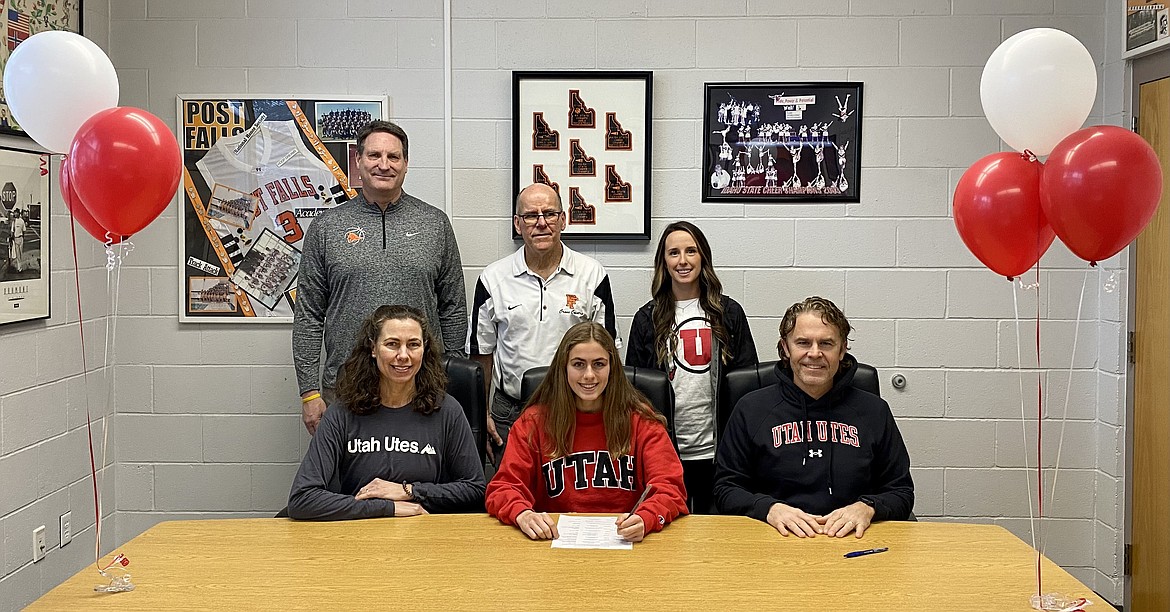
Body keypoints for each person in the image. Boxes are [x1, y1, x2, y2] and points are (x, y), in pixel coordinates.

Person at [293, 120, 467, 435]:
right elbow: (308, 315)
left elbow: (453, 307)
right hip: (346, 389)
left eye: (393, 157)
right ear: (357, 161)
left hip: (422, 388)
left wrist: (450, 376)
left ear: (405, 164)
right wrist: (309, 391)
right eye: (374, 155)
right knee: (347, 483)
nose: (383, 165)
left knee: (421, 482)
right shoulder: (326, 227)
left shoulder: (435, 224)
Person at [714, 296, 913, 538]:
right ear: (786, 348)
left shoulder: (875, 411)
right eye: (803, 342)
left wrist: (868, 507)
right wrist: (769, 509)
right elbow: (725, 489)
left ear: (842, 350)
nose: (815, 353)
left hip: (853, 542)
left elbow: (901, 491)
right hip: (773, 541)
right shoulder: (750, 409)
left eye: (827, 343)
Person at [485, 322, 687, 542]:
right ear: (564, 367)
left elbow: (671, 488)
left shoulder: (641, 420)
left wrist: (647, 518)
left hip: (626, 543)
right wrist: (522, 514)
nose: (589, 375)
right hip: (553, 544)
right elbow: (503, 488)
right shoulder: (532, 423)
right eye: (579, 364)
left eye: (599, 364)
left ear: (613, 368)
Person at [288, 305, 485, 520]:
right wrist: (386, 508)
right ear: (373, 348)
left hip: (425, 535)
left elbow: (474, 489)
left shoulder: (447, 410)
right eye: (392, 344)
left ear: (424, 349)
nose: (403, 355)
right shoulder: (343, 412)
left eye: (413, 345)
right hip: (359, 535)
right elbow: (302, 498)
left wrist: (410, 491)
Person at [468, 182, 618, 465]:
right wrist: (482, 415)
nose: (541, 223)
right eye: (530, 216)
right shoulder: (493, 279)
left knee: (571, 500)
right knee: (513, 501)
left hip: (576, 410)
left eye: (549, 214)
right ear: (517, 223)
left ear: (563, 220)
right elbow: (481, 356)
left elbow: (608, 352)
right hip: (510, 414)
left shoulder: (592, 275)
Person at [626, 221, 757, 514]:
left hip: (719, 449)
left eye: (691, 251)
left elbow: (746, 385)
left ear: (703, 258)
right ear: (664, 261)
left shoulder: (729, 313)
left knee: (718, 535)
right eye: (673, 253)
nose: (682, 261)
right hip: (667, 447)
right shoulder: (647, 318)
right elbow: (634, 392)